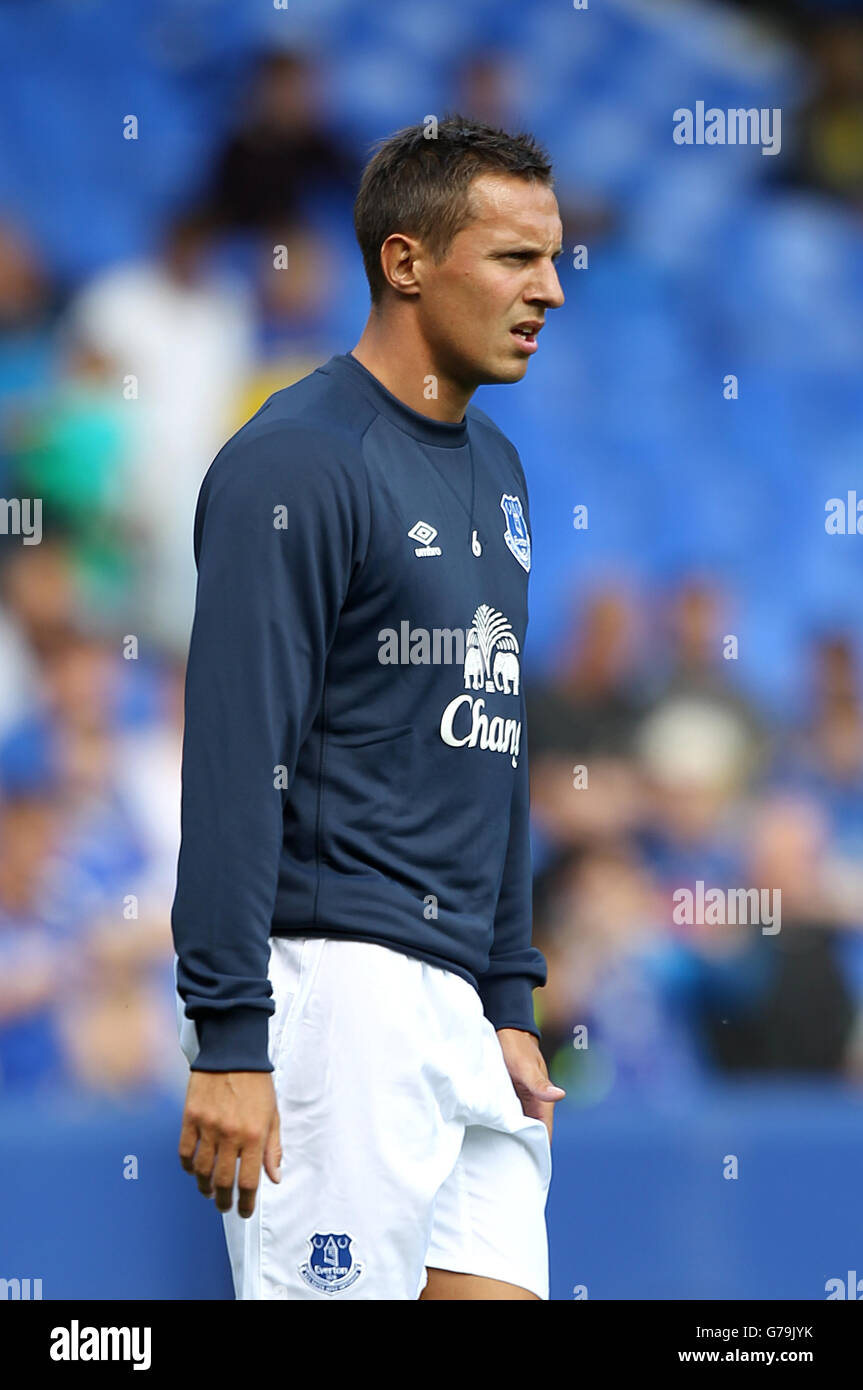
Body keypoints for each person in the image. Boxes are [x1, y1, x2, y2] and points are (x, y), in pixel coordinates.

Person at [171, 115, 566, 1301]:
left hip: (463, 1017)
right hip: (336, 1001)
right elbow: (238, 758)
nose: (548, 290)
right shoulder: (296, 460)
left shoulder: (498, 470)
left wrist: (507, 995)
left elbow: (492, 745)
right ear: (403, 263)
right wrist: (232, 1036)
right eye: (512, 259)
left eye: (552, 258)